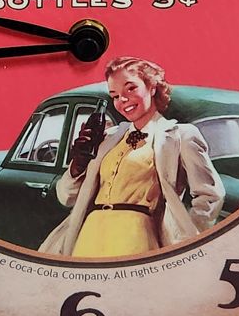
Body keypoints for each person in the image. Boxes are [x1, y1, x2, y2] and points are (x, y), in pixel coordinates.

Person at [39, 56, 225, 259]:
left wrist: (186, 238)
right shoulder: (108, 137)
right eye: (115, 96)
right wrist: (78, 165)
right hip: (90, 234)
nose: (123, 100)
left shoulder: (181, 135)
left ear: (152, 87)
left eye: (131, 89)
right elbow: (66, 197)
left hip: (136, 235)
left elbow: (211, 195)